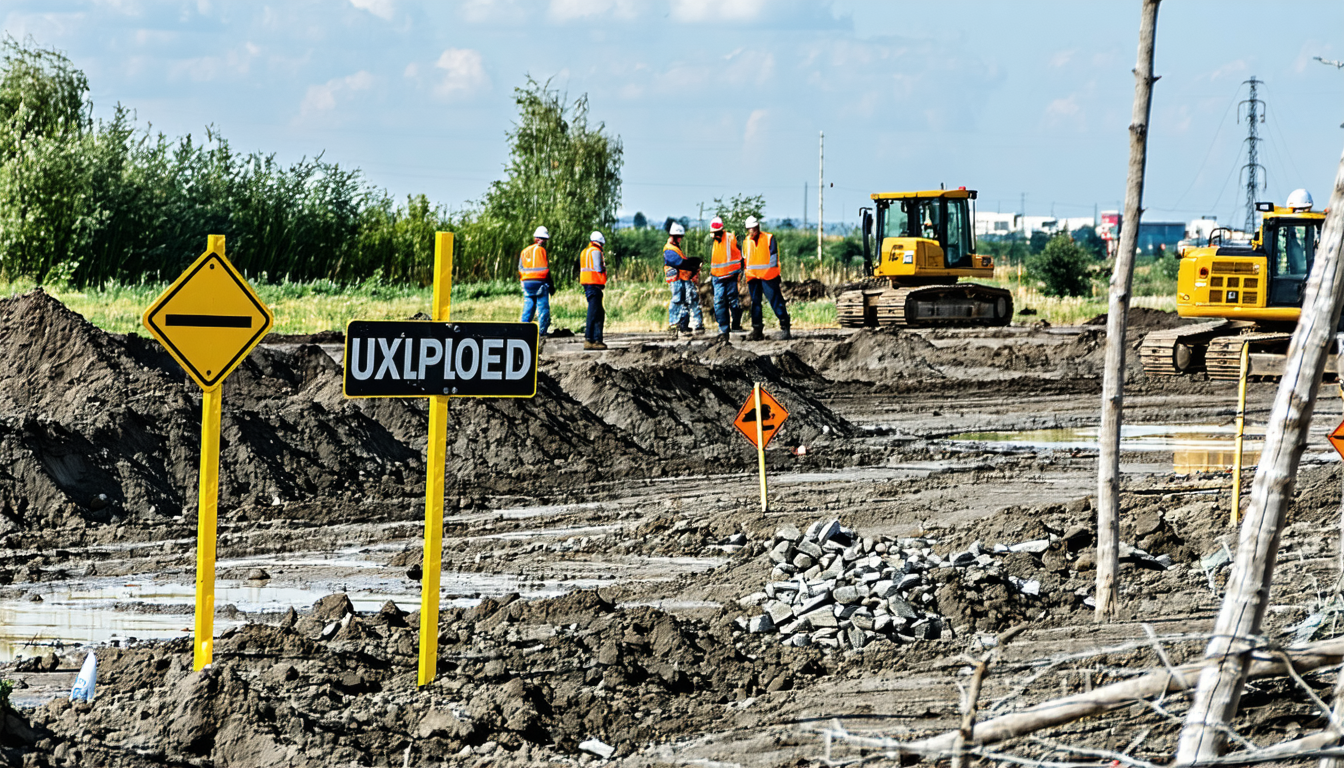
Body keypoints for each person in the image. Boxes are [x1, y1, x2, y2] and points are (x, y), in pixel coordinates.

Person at [742, 216, 790, 340]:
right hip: (753, 277)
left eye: (753, 229)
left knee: (776, 301)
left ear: (757, 227)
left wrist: (773, 275)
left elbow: (773, 258)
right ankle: (757, 330)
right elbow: (745, 260)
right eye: (749, 229)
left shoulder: (769, 238)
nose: (751, 232)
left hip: (768, 277)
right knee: (755, 303)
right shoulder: (746, 241)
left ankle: (785, 327)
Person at [663, 222, 704, 337]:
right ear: (674, 237)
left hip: (681, 278)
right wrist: (692, 263)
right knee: (677, 300)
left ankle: (683, 325)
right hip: (675, 280)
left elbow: (682, 262)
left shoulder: (676, 248)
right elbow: (679, 263)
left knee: (685, 301)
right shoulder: (669, 249)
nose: (681, 239)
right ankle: (674, 324)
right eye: (679, 237)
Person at [707, 216, 743, 340]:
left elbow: (739, 253)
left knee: (733, 302)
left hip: (731, 275)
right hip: (717, 276)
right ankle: (723, 329)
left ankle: (736, 324)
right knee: (719, 302)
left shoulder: (730, 238)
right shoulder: (711, 241)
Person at [519, 225, 552, 336]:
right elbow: (546, 269)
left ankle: (523, 330)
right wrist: (551, 285)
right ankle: (542, 331)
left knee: (528, 306)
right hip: (540, 283)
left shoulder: (524, 251)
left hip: (527, 283)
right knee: (543, 307)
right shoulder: (542, 251)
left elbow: (520, 268)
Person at [579, 230, 608, 350]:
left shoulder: (585, 251)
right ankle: (591, 339)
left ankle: (596, 339)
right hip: (594, 284)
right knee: (594, 313)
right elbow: (598, 268)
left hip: (587, 284)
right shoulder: (596, 251)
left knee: (598, 312)